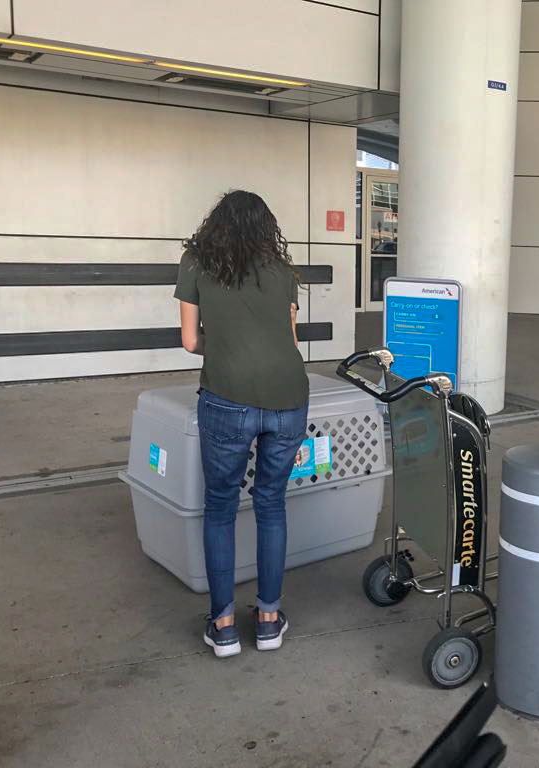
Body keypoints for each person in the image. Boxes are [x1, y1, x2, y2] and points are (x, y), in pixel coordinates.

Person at [174, 190, 309, 659]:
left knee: (220, 506)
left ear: (216, 224)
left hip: (227, 399)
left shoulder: (196, 262)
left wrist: (230, 342)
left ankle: (225, 626)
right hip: (289, 398)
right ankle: (269, 621)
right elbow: (288, 340)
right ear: (266, 227)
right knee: (271, 502)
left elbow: (190, 342)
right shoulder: (282, 271)